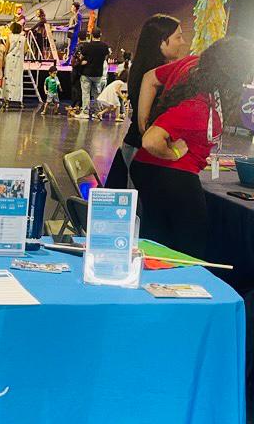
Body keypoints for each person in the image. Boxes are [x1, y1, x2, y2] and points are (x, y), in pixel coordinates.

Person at [130, 36, 253, 258]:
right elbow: (151, 140)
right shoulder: (198, 105)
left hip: (161, 173)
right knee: (188, 246)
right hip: (170, 175)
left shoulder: (206, 93)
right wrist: (173, 152)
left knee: (161, 242)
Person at [105, 15, 184, 187]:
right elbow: (144, 125)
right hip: (142, 151)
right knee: (140, 207)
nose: (182, 42)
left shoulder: (145, 68)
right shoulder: (152, 75)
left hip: (140, 147)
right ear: (162, 42)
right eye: (178, 37)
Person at [77, 28, 110, 119]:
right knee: (97, 94)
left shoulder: (87, 46)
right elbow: (106, 57)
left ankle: (85, 112)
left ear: (91, 35)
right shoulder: (104, 46)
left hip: (86, 73)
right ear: (100, 35)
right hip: (98, 73)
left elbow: (81, 57)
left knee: (86, 93)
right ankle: (98, 113)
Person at [0, 21, 25, 110]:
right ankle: (18, 99)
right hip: (19, 60)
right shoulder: (23, 38)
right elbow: (26, 50)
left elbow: (7, 49)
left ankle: (7, 99)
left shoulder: (9, 37)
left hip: (10, 59)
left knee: (8, 78)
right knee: (18, 79)